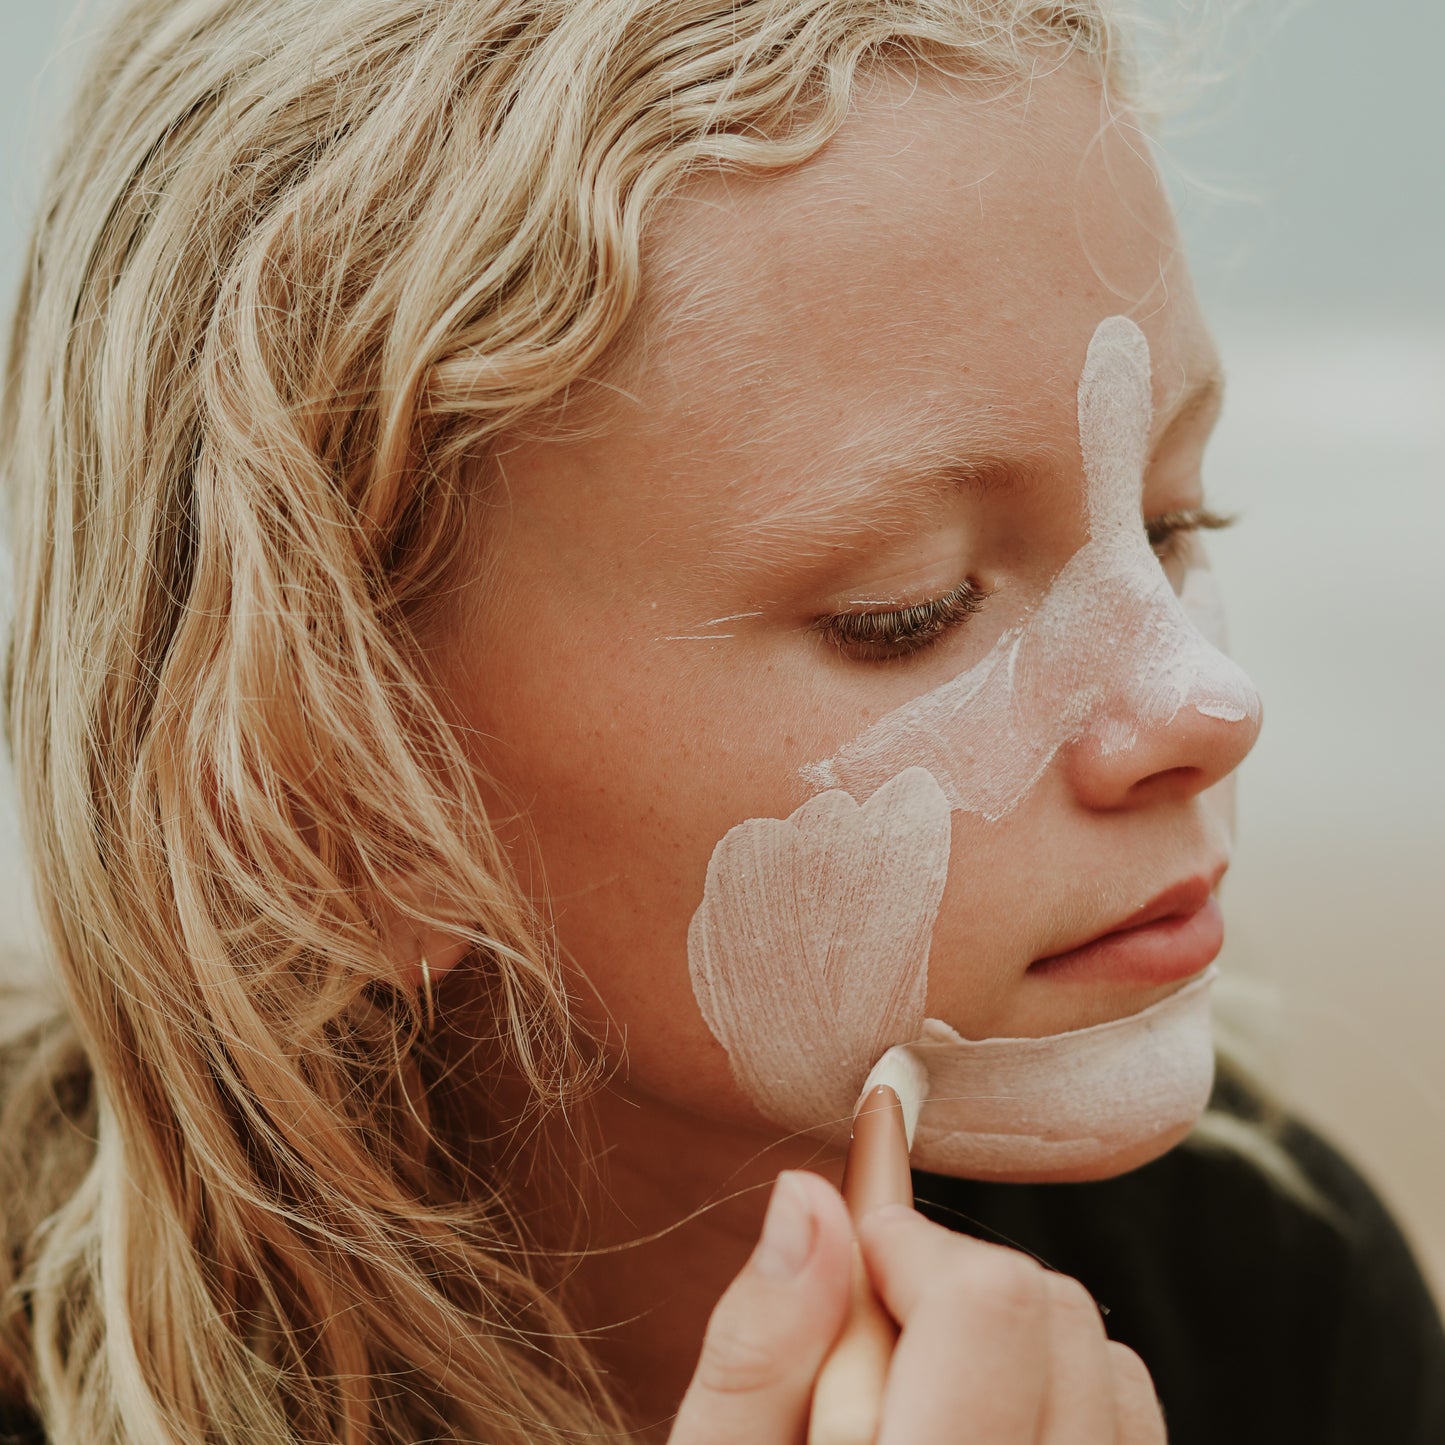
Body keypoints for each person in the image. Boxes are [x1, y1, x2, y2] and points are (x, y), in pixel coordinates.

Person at [0, 1, 1441, 1441]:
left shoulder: (1266, 1296)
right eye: (910, 608)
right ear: (333, 813)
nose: (1207, 699)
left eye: (1173, 517)